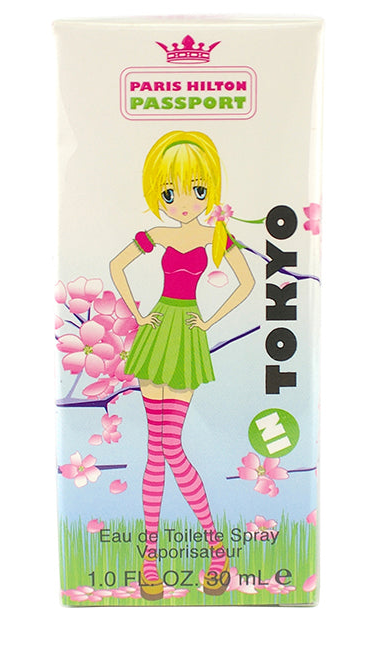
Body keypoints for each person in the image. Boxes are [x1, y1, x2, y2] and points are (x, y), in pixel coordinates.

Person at [109, 130, 255, 600]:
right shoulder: (158, 235)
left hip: (186, 337)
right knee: (157, 449)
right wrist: (137, 315)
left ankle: (215, 549)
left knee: (169, 445)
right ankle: (151, 558)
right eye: (171, 193)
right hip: (158, 334)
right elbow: (117, 266)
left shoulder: (218, 237)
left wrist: (208, 321)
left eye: (197, 189)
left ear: (210, 189)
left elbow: (247, 283)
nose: (184, 202)